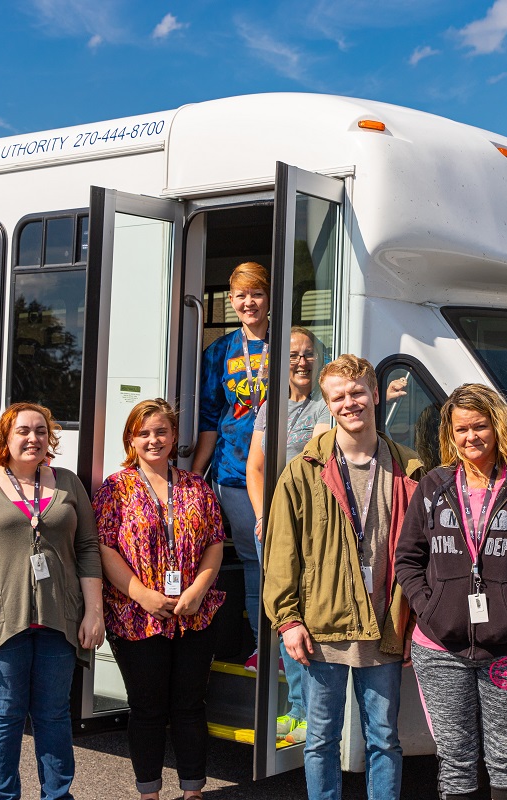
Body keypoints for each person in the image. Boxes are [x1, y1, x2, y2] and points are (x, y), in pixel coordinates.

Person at [394, 383, 507, 800]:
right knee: (455, 759)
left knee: (506, 757)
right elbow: (407, 559)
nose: (470, 437)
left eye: (479, 426)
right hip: (440, 649)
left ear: (497, 427)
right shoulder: (433, 486)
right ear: (449, 435)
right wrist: (430, 610)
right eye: (461, 429)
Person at [262, 354, 425, 800]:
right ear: (327, 404)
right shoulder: (304, 470)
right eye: (338, 396)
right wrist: (288, 620)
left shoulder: (408, 469)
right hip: (322, 627)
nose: (349, 402)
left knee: (385, 742)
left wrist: (416, 622)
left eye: (357, 392)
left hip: (385, 627)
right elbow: (281, 554)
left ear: (375, 394)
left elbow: (423, 557)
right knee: (320, 742)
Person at [0, 402, 105, 800]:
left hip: (59, 621)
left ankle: (57, 795)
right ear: (5, 439)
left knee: (53, 717)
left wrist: (94, 613)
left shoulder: (68, 483)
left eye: (41, 431)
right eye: (23, 431)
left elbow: (87, 547)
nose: (33, 438)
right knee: (3, 716)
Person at [94, 398, 225, 800]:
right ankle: (148, 792)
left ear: (173, 437)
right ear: (132, 439)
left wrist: (197, 591)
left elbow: (215, 543)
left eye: (161, 432)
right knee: (148, 708)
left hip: (193, 615)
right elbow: (104, 548)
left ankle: (192, 791)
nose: (154, 439)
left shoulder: (197, 486)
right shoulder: (115, 488)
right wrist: (143, 595)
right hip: (137, 616)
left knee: (189, 705)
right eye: (145, 433)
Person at [244, 326, 332, 744]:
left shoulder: (323, 407)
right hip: (272, 527)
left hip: (305, 529)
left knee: (304, 619)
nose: (301, 361)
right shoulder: (270, 407)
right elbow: (255, 469)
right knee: (285, 618)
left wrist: (284, 520)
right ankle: (296, 709)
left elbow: (311, 467)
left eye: (309, 354)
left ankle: (305, 712)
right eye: (293, 354)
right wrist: (264, 516)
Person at [192, 261, 269, 664]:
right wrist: (197, 472)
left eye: (256, 293)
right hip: (234, 471)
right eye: (240, 295)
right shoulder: (220, 351)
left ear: (269, 297)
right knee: (255, 557)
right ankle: (262, 646)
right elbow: (209, 415)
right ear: (231, 301)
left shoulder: (289, 345)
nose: (248, 302)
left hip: (283, 472)